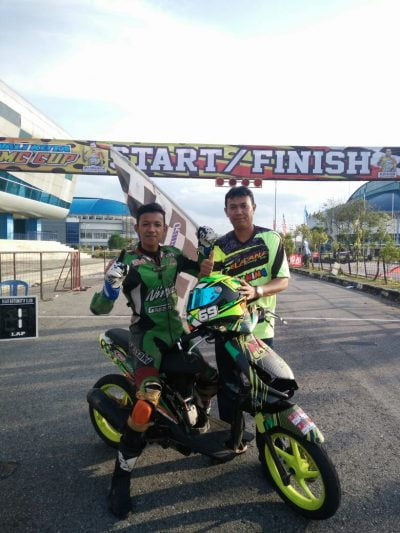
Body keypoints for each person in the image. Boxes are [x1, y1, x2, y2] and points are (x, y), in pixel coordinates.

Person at [90, 202, 218, 519]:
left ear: (164, 229)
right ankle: (120, 478)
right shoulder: (126, 262)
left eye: (157, 224)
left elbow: (203, 271)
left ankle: (201, 416)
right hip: (146, 339)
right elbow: (99, 309)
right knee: (147, 404)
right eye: (145, 224)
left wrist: (207, 249)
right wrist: (110, 286)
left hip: (177, 333)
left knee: (210, 377)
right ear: (137, 228)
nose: (151, 229)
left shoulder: (173, 255)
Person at [202, 186, 290, 449]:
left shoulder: (270, 238)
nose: (239, 211)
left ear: (253, 208)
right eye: (233, 207)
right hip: (227, 329)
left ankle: (273, 447)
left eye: (244, 205)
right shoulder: (220, 246)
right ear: (226, 211)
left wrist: (257, 291)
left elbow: (283, 280)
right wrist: (204, 273)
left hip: (260, 329)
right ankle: (233, 440)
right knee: (229, 387)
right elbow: (213, 287)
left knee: (268, 388)